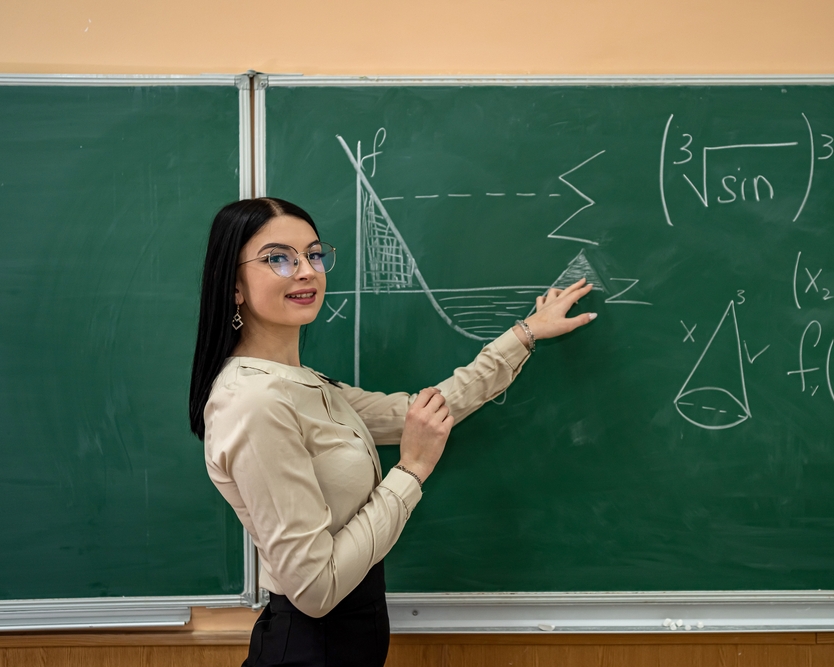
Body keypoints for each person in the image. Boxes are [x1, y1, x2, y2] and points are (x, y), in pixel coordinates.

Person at [188, 197, 596, 667]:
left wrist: (525, 334)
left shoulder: (306, 385)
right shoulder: (254, 403)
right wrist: (412, 470)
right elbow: (315, 589)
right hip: (309, 648)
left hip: (346, 641)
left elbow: (424, 410)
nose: (305, 271)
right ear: (233, 285)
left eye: (314, 255)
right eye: (278, 258)